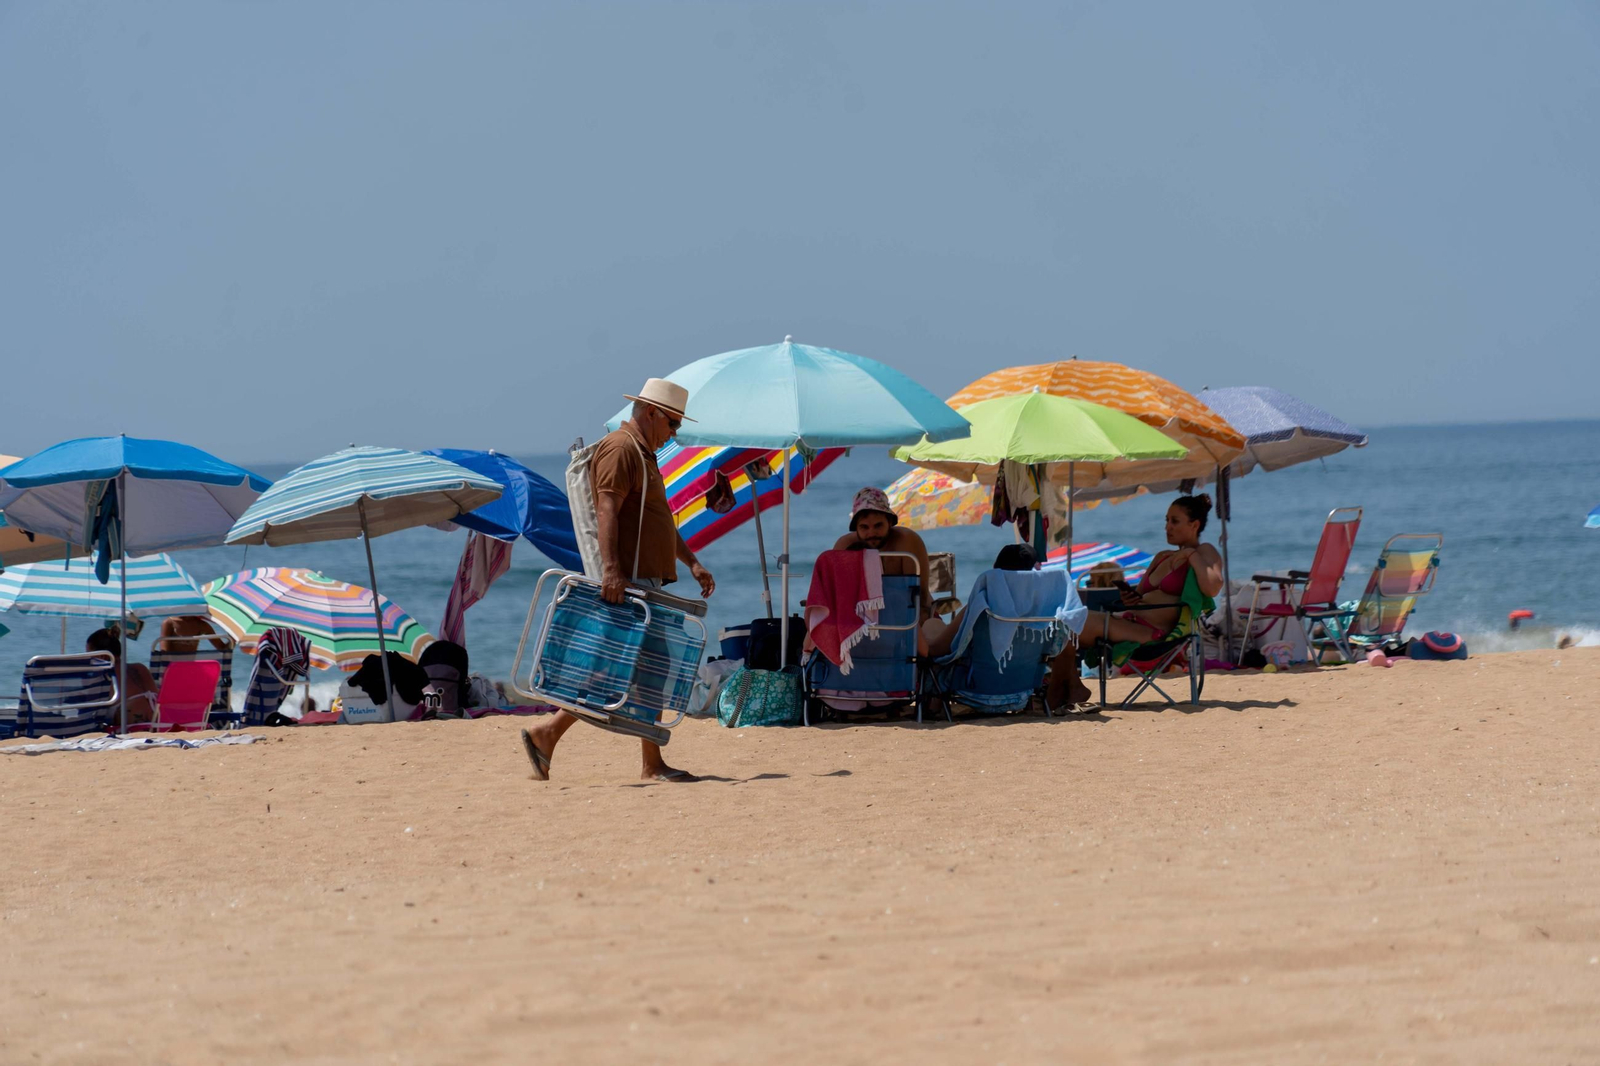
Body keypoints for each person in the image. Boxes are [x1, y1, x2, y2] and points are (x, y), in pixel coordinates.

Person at [519, 378, 716, 783]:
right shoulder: (622, 449)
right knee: (631, 667)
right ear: (652, 414)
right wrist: (611, 570)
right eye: (673, 424)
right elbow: (606, 508)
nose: (674, 434)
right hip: (630, 579)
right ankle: (640, 761)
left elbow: (659, 519)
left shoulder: (642, 453)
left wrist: (692, 563)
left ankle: (552, 736)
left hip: (643, 579)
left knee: (629, 668)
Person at [1046, 494, 1225, 710]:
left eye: (1174, 521)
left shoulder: (1204, 552)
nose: (1167, 527)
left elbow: (1213, 587)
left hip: (1155, 634)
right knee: (1064, 624)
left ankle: (1061, 692)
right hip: (1129, 621)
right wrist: (1128, 598)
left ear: (1194, 525)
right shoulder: (1162, 556)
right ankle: (1070, 687)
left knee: (1067, 624)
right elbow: (1138, 596)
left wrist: (1191, 555)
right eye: (1166, 520)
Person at [919, 543, 1038, 659]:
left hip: (977, 671)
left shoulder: (981, 605)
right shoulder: (1042, 611)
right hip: (1029, 671)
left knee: (932, 624)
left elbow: (937, 649)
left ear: (994, 571)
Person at [833, 486, 933, 618]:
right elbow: (836, 596)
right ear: (856, 527)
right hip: (863, 619)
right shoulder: (844, 546)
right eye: (864, 527)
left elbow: (920, 597)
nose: (871, 533)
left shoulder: (907, 541)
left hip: (914, 615)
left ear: (890, 522)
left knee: (931, 626)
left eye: (878, 525)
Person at [85, 627, 160, 727]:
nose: (89, 660)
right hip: (159, 719)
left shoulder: (104, 675)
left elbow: (90, 710)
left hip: (131, 723)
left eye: (90, 656)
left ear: (102, 656)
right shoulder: (140, 667)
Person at [159, 614, 230, 654]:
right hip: (175, 668)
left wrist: (233, 638)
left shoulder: (201, 624)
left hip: (190, 668)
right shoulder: (170, 623)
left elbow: (222, 648)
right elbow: (164, 651)